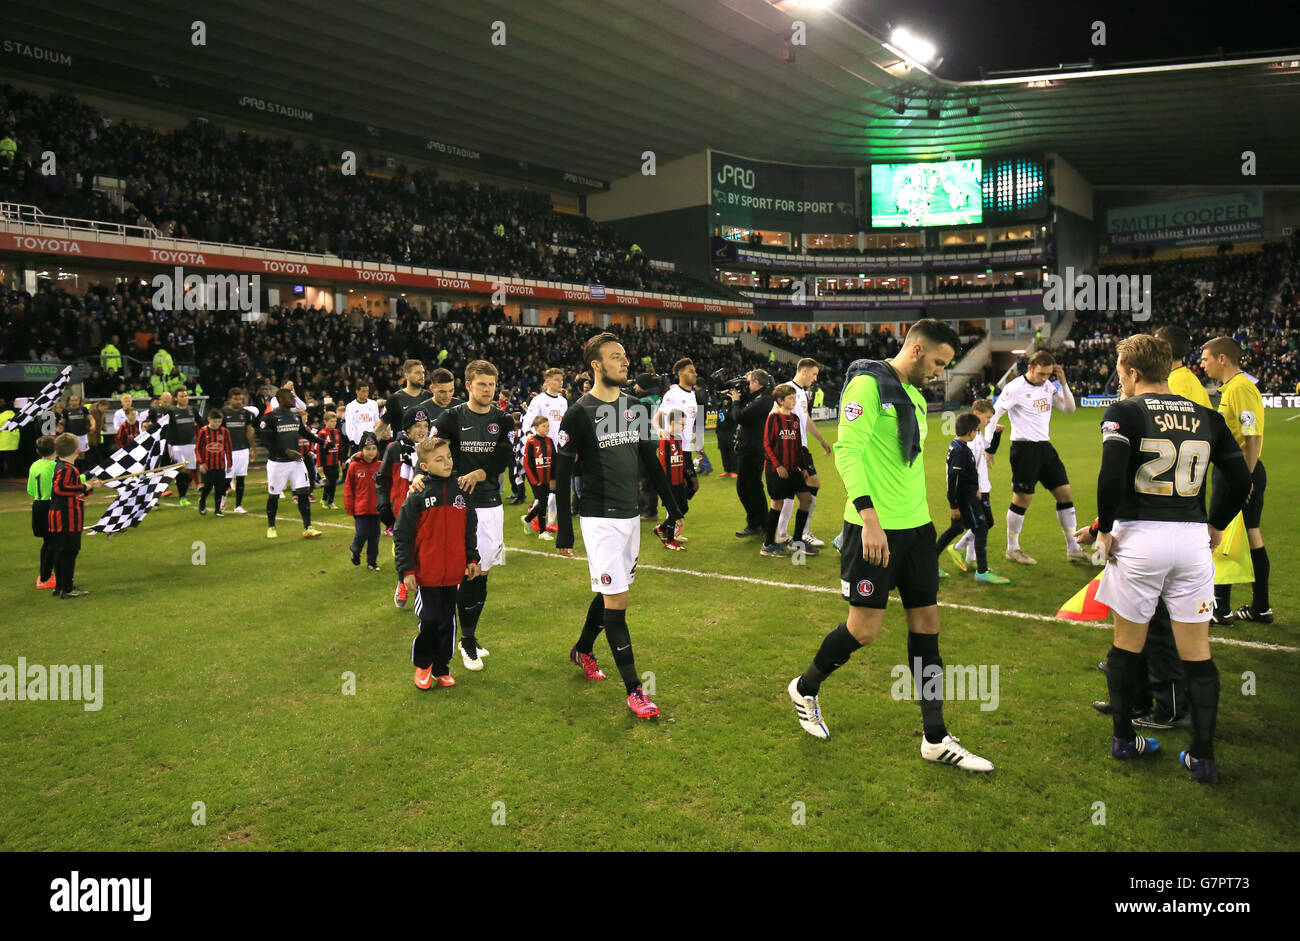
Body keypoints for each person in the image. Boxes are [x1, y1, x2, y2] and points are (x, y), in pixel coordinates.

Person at [786, 319, 995, 773]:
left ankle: (935, 738)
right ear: (917, 349)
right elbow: (847, 451)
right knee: (864, 631)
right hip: (873, 529)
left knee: (927, 624)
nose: (940, 372)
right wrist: (869, 517)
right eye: (938, 362)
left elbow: (904, 466)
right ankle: (805, 688)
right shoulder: (866, 385)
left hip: (916, 530)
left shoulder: (916, 396)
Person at [1093, 334, 1251, 783]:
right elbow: (1240, 479)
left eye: (1121, 371)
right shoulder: (1206, 414)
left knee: (1127, 644)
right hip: (1190, 541)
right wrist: (1216, 522)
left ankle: (1125, 739)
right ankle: (1202, 757)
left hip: (1140, 538)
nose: (1119, 379)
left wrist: (1104, 528)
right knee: (1198, 655)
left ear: (1134, 372)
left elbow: (1111, 474)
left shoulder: (1123, 412)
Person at [554, 332, 685, 719]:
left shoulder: (634, 407)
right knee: (619, 600)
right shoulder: (579, 412)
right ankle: (635, 691)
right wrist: (564, 528)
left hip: (630, 518)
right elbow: (561, 476)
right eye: (615, 357)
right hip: (599, 519)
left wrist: (673, 508)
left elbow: (651, 460)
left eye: (625, 356)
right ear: (596, 365)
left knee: (612, 588)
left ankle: (582, 649)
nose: (625, 362)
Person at [426, 361, 513, 671]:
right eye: (481, 384)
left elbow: (505, 454)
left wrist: (483, 471)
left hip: (490, 503)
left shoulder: (502, 419)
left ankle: (468, 638)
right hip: (458, 504)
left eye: (491, 384)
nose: (487, 390)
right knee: (465, 571)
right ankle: (460, 641)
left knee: (482, 572)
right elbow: (432, 451)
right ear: (469, 386)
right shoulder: (452, 416)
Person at [984, 350, 1089, 566]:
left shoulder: (1049, 386)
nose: (1044, 379)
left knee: (1065, 494)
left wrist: (1062, 383)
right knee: (1023, 499)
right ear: (1030, 368)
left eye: (1048, 374)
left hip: (1045, 448)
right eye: (1041, 374)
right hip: (1024, 449)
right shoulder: (1014, 388)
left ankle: (1074, 549)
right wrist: (989, 447)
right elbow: (994, 415)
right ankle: (1012, 549)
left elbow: (1069, 409)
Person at [395, 437, 482, 690]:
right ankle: (424, 665)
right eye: (438, 459)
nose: (446, 463)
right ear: (424, 466)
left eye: (448, 457)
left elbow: (470, 528)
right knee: (430, 620)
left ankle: (442, 667)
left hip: (453, 573)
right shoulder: (419, 493)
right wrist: (406, 570)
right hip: (426, 574)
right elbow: (403, 534)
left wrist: (472, 558)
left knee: (447, 621)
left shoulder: (461, 490)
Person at [1200, 336, 1271, 625]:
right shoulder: (1234, 388)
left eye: (1205, 359)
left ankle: (1220, 609)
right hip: (1243, 471)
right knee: (1250, 535)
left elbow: (1252, 436)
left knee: (1214, 534)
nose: (1202, 364)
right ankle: (1261, 607)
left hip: (1238, 472)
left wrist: (1246, 477)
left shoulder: (1240, 388)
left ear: (1222, 359)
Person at [934, 413, 1008, 583]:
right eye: (976, 430)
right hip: (965, 500)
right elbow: (954, 478)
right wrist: (954, 505)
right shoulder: (961, 451)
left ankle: (929, 563)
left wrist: (974, 489)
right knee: (981, 527)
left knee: (957, 528)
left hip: (967, 495)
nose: (977, 433)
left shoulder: (958, 446)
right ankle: (982, 572)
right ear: (970, 431)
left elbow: (963, 476)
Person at [776, 359, 834, 548]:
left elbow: (805, 418)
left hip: (802, 448)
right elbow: (774, 417)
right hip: (790, 449)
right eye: (814, 374)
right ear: (803, 371)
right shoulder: (785, 389)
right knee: (803, 488)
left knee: (794, 492)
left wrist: (821, 439)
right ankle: (800, 532)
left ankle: (783, 532)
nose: (815, 378)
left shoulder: (801, 393)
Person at [379, 407, 432, 606]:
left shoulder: (433, 448)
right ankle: (403, 582)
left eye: (426, 426)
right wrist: (383, 503)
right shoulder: (394, 449)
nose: (422, 430)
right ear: (407, 429)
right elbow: (382, 478)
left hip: (427, 509)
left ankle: (424, 590)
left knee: (425, 551)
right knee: (403, 550)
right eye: (417, 426)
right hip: (401, 510)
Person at [761, 384, 819, 558]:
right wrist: (777, 465)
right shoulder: (773, 418)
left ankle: (796, 540)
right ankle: (768, 544)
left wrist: (803, 468)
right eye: (790, 398)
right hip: (776, 470)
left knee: (806, 499)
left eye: (795, 397)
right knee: (777, 504)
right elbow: (767, 444)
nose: (794, 400)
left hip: (794, 470)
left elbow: (798, 446)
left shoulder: (794, 419)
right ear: (780, 401)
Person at [258, 389, 323, 539]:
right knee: (273, 496)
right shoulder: (270, 417)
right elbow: (265, 442)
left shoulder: (295, 415)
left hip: (296, 462)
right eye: (290, 396)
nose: (293, 398)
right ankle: (271, 526)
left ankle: (308, 527)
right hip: (277, 463)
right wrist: (286, 451)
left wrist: (322, 442)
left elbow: (304, 433)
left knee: (303, 492)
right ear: (280, 398)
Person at [947, 399, 1002, 573]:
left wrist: (998, 434)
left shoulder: (976, 435)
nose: (988, 422)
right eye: (987, 418)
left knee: (982, 524)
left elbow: (989, 449)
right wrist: (974, 489)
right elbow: (962, 471)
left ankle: (969, 556)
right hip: (975, 489)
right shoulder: (967, 441)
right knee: (981, 524)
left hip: (981, 487)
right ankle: (960, 551)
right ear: (977, 414)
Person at [48, 433, 98, 599]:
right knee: (69, 551)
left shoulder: (62, 466)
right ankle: (67, 588)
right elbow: (60, 489)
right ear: (76, 450)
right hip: (67, 518)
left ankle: (61, 586)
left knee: (61, 551)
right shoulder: (67, 469)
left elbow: (74, 490)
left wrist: (89, 487)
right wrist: (84, 486)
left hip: (62, 516)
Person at [521, 367, 569, 532]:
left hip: (560, 450)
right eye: (556, 380)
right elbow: (528, 420)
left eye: (561, 380)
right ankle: (536, 518)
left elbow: (565, 425)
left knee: (555, 488)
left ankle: (548, 521)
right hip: (544, 450)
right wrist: (529, 434)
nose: (560, 383)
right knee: (545, 489)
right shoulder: (539, 400)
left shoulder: (563, 401)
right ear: (548, 382)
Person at [728, 370, 774, 539]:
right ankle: (762, 523)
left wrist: (735, 401)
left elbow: (739, 416)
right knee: (755, 487)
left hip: (752, 449)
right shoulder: (762, 398)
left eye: (748, 382)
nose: (746, 385)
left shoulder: (764, 400)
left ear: (756, 382)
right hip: (753, 447)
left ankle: (755, 523)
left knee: (745, 487)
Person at [656, 358, 702, 491]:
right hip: (675, 449)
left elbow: (690, 425)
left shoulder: (692, 396)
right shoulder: (673, 394)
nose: (695, 374)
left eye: (695, 371)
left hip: (686, 448)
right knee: (688, 486)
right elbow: (656, 419)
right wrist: (660, 431)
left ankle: (675, 511)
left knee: (689, 487)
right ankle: (674, 511)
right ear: (681, 373)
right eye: (691, 371)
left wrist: (698, 446)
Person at [656, 410, 694, 550]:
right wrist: (667, 485)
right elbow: (664, 464)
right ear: (672, 422)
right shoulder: (665, 439)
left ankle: (661, 527)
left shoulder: (678, 438)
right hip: (670, 483)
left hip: (679, 482)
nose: (684, 427)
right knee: (674, 511)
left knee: (683, 508)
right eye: (682, 424)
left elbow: (680, 460)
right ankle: (669, 541)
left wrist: (686, 478)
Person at [344, 432, 383, 571]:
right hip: (360, 508)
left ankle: (372, 562)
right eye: (367, 449)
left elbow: (386, 486)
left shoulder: (380, 465)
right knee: (362, 533)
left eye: (373, 448)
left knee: (375, 536)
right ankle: (355, 549)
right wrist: (350, 506)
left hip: (376, 508)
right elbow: (349, 487)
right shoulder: (354, 466)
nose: (371, 452)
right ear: (361, 450)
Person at [159, 389, 201, 506]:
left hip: (190, 444)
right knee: (181, 470)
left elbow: (200, 423)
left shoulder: (192, 410)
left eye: (186, 396)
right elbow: (163, 426)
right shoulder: (171, 411)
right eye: (181, 396)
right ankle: (182, 497)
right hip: (176, 445)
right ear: (176, 398)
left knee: (188, 471)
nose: (184, 398)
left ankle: (183, 495)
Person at [220, 387, 259, 514]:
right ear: (230, 399)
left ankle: (238, 506)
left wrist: (253, 448)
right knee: (226, 479)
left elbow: (249, 430)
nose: (239, 401)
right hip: (227, 451)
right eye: (236, 399)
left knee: (241, 478)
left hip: (242, 450)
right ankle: (221, 501)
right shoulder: (223, 413)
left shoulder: (246, 414)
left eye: (241, 399)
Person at [27, 435, 58, 590]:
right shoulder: (54, 467)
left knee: (47, 541)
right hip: (49, 506)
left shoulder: (35, 465)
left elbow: (30, 489)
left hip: (38, 505)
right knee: (52, 543)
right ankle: (45, 578)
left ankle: (46, 575)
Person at [378, 359, 431, 441]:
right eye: (417, 373)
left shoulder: (430, 396)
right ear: (406, 375)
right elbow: (380, 428)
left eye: (423, 372)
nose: (422, 375)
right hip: (403, 450)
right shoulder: (395, 399)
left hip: (426, 450)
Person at [521, 415, 556, 540]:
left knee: (543, 502)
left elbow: (554, 461)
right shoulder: (531, 442)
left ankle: (527, 519)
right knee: (542, 502)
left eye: (548, 426)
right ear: (536, 428)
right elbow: (526, 463)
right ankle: (542, 532)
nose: (547, 428)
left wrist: (553, 479)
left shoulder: (549, 441)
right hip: (536, 480)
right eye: (543, 426)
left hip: (547, 479)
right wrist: (535, 481)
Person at [195, 410, 233, 517]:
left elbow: (228, 448)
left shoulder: (225, 432)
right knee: (207, 486)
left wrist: (229, 463)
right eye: (214, 422)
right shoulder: (203, 431)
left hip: (220, 465)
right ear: (209, 420)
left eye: (219, 422)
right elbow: (197, 448)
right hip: (207, 465)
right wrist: (201, 463)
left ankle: (217, 510)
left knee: (219, 488)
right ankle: (202, 502)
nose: (216, 424)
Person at [344, 382, 380, 456]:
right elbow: (349, 425)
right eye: (363, 391)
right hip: (358, 440)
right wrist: (351, 439)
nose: (366, 393)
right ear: (357, 391)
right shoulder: (351, 406)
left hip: (372, 439)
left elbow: (377, 422)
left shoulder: (373, 404)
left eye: (367, 391)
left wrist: (377, 436)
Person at [317, 412, 343, 509]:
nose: (334, 423)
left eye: (335, 421)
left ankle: (331, 501)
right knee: (329, 482)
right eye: (331, 421)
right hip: (326, 463)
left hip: (335, 462)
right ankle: (324, 499)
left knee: (334, 482)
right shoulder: (322, 433)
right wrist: (320, 465)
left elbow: (339, 447)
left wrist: (342, 460)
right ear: (325, 421)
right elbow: (319, 450)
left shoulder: (336, 432)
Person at [0, 398, 18, 477]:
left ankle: (4, 473)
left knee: (4, 458)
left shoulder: (1, 416)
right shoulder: (16, 415)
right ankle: (11, 474)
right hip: (14, 438)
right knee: (12, 458)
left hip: (3, 439)